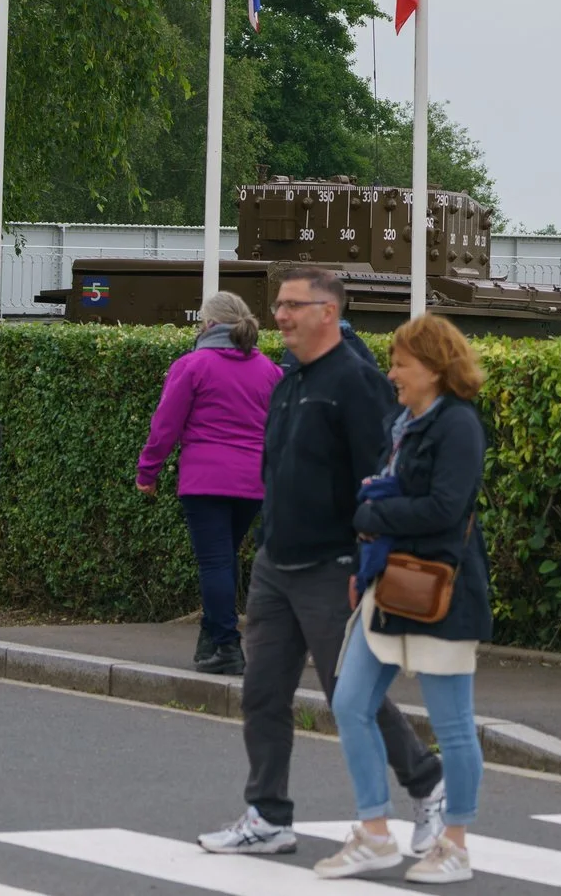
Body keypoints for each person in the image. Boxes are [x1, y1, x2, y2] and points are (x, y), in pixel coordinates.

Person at [198, 266, 444, 858]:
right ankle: (268, 815)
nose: (279, 315)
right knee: (261, 692)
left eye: (292, 305)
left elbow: (381, 476)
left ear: (327, 313)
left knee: (350, 697)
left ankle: (429, 785)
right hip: (276, 566)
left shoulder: (355, 383)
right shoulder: (288, 382)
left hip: (334, 568)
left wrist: (367, 561)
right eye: (278, 304)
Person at [317, 314, 492, 884]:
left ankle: (456, 844)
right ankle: (373, 832)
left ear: (435, 369)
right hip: (388, 586)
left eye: (400, 363)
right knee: (349, 703)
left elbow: (447, 509)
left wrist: (373, 513)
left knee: (454, 726)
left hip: (440, 592)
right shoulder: (406, 423)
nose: (390, 372)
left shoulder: (458, 425)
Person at [138, 290, 284, 674]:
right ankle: (210, 639)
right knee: (226, 559)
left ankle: (226, 645)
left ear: (209, 324)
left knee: (215, 562)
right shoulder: (269, 369)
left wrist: (147, 472)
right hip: (254, 481)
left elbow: (165, 426)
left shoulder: (193, 365)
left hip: (205, 480)